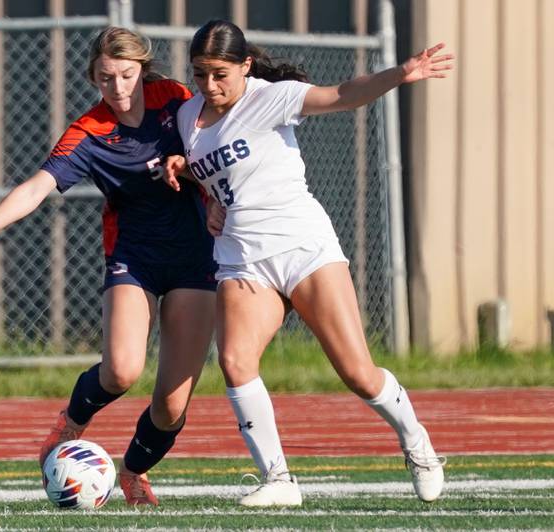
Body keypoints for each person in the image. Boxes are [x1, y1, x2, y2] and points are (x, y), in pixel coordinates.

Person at [164, 19, 453, 507]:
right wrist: (196, 181)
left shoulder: (268, 98)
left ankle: (417, 443)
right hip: (241, 258)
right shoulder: (188, 115)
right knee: (234, 362)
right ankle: (278, 479)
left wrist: (399, 73)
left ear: (245, 66)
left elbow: (342, 94)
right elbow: (219, 166)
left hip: (302, 248)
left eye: (220, 74)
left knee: (358, 373)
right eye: (199, 74)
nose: (209, 85)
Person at [0, 26, 217, 507]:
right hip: (135, 256)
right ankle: (70, 424)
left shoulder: (177, 99)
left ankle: (131, 472)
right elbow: (35, 187)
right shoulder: (89, 132)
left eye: (127, 75)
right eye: (106, 78)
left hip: (195, 258)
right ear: (93, 77)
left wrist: (212, 192)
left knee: (170, 407)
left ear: (142, 71)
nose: (119, 88)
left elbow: (219, 141)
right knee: (121, 372)